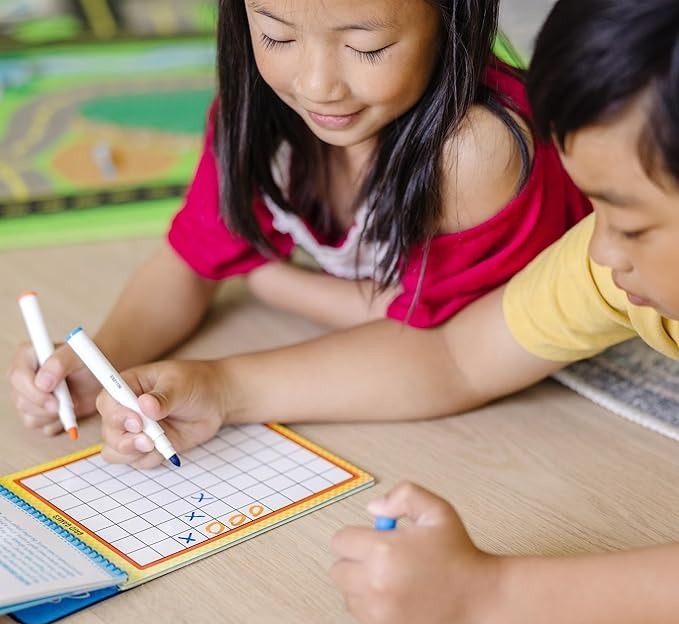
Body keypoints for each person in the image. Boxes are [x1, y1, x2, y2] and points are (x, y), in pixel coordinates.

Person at [92, 0, 679, 624]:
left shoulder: (480, 147)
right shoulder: (603, 266)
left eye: (628, 223)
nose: (593, 250)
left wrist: (489, 595)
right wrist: (220, 386)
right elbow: (456, 355)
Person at [8, 0, 588, 437]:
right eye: (276, 35)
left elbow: (433, 334)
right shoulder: (261, 114)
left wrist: (265, 278)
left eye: (366, 48)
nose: (316, 85)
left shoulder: (472, 149)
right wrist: (101, 358)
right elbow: (191, 260)